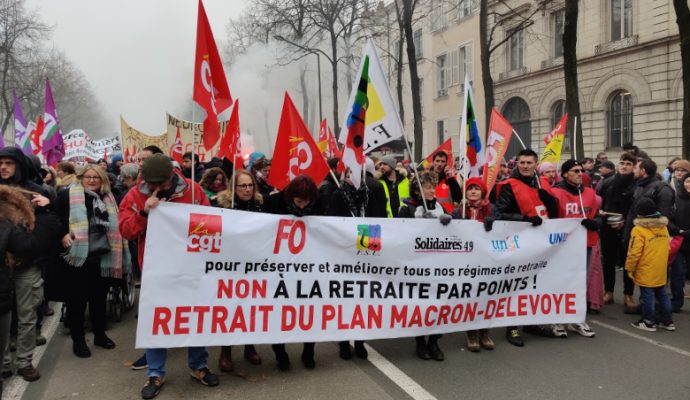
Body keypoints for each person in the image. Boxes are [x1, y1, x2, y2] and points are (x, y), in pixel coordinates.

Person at [118, 154, 217, 399]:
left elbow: (211, 223)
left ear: (172, 176)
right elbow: (125, 230)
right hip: (155, 269)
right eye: (152, 184)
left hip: (190, 267)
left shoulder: (193, 190)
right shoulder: (134, 196)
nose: (157, 188)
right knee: (157, 319)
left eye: (161, 184)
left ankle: (198, 366)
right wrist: (143, 213)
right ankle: (155, 372)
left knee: (194, 315)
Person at [55, 164, 128, 358]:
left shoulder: (110, 198)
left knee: (98, 299)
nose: (92, 180)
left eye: (96, 177)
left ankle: (99, 335)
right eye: (88, 176)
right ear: (81, 178)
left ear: (103, 179)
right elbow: (55, 218)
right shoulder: (67, 196)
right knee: (77, 301)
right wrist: (62, 234)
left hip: (102, 256)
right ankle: (78, 340)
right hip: (77, 257)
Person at [494, 149, 559, 346]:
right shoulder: (508, 186)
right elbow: (501, 214)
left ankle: (531, 322)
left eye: (529, 162)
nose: (525, 166)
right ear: (517, 164)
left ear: (535, 164)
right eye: (522, 162)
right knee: (516, 285)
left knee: (536, 284)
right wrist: (524, 219)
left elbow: (554, 213)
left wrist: (549, 200)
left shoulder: (542, 183)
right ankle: (512, 327)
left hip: (540, 244)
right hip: (517, 242)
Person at [0, 147, 55, 382]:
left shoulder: (36, 192)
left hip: (27, 264)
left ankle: (24, 362)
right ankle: (2, 363)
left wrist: (48, 205)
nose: (3, 167)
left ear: (19, 166)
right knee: (2, 317)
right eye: (0, 163)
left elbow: (49, 228)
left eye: (9, 163)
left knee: (27, 315)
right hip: (1, 268)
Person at [264, 175, 322, 370]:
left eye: (307, 203)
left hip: (309, 268)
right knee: (278, 312)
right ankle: (280, 352)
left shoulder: (320, 203)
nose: (303, 207)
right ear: (290, 197)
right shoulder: (273, 202)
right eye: (299, 202)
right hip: (278, 269)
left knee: (309, 312)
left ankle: (309, 351)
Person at [214, 169, 263, 372]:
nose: (247, 189)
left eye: (250, 185)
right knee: (231, 308)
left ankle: (249, 347)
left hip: (254, 265)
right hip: (229, 266)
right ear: (233, 187)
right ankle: (226, 351)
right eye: (243, 185)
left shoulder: (260, 204)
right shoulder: (221, 205)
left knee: (251, 308)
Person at [398, 171, 449, 360]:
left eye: (433, 186)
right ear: (417, 190)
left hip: (438, 264)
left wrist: (448, 222)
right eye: (427, 187)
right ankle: (420, 341)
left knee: (438, 304)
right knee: (419, 305)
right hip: (416, 266)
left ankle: (434, 341)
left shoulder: (440, 208)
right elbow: (400, 237)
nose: (432, 190)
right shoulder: (406, 209)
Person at [551, 160, 601, 337]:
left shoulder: (589, 193)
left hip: (585, 245)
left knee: (579, 282)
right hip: (563, 246)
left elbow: (596, 216)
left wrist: (595, 223)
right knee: (561, 282)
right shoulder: (556, 193)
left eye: (581, 170)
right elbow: (551, 220)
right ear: (565, 174)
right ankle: (557, 320)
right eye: (575, 171)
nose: (581, 173)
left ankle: (577, 319)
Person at [622, 158, 676, 313]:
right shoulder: (639, 186)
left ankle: (654, 313)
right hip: (638, 237)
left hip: (653, 243)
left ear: (643, 171)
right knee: (645, 277)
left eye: (636, 167)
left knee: (655, 279)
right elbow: (633, 213)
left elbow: (663, 218)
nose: (633, 170)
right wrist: (628, 235)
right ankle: (648, 307)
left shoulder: (662, 188)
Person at [454, 177, 495, 351]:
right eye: (470, 188)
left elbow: (503, 226)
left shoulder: (492, 208)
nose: (473, 192)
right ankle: (471, 333)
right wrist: (448, 221)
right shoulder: (460, 210)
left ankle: (484, 332)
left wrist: (493, 221)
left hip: (487, 258)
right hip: (468, 260)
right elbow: (451, 227)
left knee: (486, 294)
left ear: (483, 191)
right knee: (470, 295)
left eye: (476, 188)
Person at [625, 198, 675, 332]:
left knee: (647, 295)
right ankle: (667, 321)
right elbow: (668, 247)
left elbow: (634, 252)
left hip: (645, 267)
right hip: (661, 267)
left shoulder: (639, 230)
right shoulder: (663, 227)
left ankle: (648, 321)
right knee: (662, 294)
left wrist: (629, 268)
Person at [597, 152, 637, 307]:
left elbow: (637, 208)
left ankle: (628, 294)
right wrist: (600, 212)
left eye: (628, 164)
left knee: (629, 262)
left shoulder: (636, 184)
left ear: (633, 167)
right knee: (608, 261)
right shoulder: (608, 182)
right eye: (622, 163)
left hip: (629, 228)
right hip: (608, 226)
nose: (624, 166)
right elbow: (599, 201)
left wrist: (625, 222)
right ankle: (609, 292)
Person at [670, 172, 690, 312]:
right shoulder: (676, 199)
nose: (689, 184)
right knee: (677, 273)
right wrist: (676, 230)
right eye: (688, 181)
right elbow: (669, 218)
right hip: (679, 241)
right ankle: (677, 301)